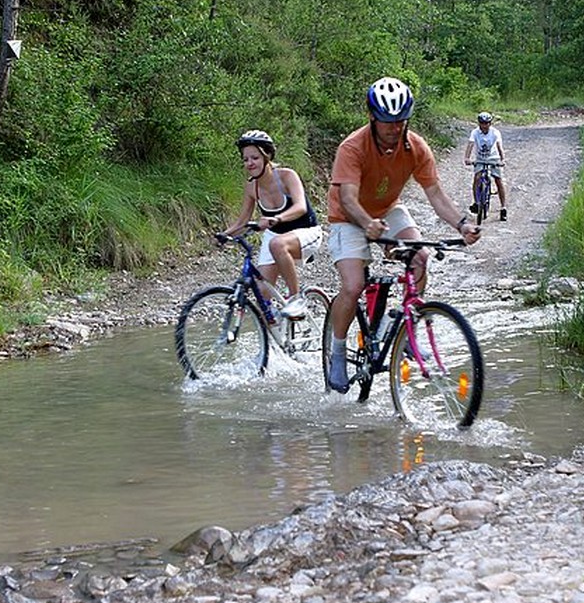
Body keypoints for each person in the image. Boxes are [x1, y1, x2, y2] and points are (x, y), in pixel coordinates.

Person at [325, 77, 481, 392]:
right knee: (353, 285)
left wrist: (462, 224)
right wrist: (367, 223)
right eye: (387, 122)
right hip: (348, 216)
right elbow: (348, 199)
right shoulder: (353, 147)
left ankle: (407, 335)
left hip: (388, 210)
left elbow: (436, 195)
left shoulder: (416, 147)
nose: (394, 128)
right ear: (372, 118)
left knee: (420, 257)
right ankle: (337, 352)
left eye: (400, 121)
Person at [218, 129, 322, 319]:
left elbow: (300, 207)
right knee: (262, 296)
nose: (250, 163)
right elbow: (242, 222)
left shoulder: (286, 176)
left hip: (306, 231)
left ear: (267, 156)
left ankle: (296, 299)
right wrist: (224, 235)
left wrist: (276, 219)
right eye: (245, 159)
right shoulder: (252, 187)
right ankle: (276, 338)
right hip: (275, 236)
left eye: (255, 158)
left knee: (277, 244)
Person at [464, 111, 508, 221]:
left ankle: (503, 208)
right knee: (477, 178)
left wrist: (502, 159)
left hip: (494, 158)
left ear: (490, 123)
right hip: (480, 158)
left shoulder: (495, 133)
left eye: (486, 123)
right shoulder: (475, 132)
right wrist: (467, 158)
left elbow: (499, 146)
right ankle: (477, 203)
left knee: (498, 180)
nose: (484, 125)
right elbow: (470, 144)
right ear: (479, 123)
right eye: (482, 123)